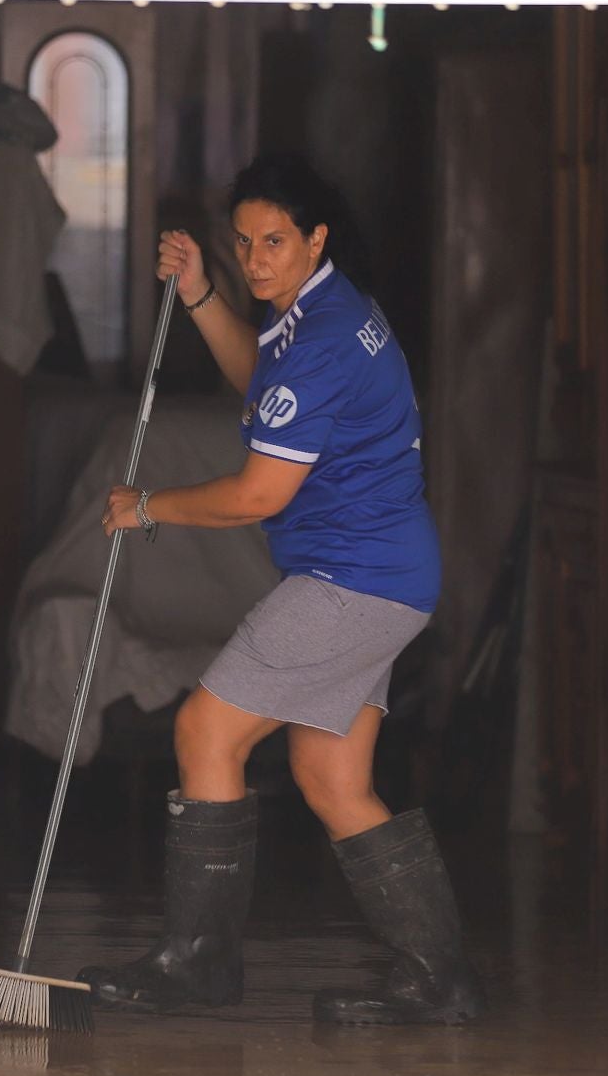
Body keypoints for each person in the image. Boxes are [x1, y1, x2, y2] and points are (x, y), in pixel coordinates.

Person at [76, 154, 486, 1026]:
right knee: (331, 776)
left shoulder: (326, 338)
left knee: (204, 729)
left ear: (316, 239)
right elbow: (261, 385)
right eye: (244, 244)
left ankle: (200, 965)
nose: (256, 261)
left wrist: (149, 506)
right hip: (388, 575)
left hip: (352, 581)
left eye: (275, 242)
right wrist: (197, 293)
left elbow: (260, 495)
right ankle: (437, 981)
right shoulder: (317, 313)